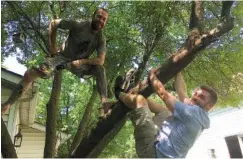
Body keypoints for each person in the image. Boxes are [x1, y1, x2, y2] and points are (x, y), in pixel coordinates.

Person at [2, 8, 111, 118]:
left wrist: (82, 61)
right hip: (61, 58)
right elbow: (54, 23)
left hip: (80, 65)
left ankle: (104, 103)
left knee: (100, 69)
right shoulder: (79, 24)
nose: (101, 21)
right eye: (99, 17)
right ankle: (7, 105)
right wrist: (52, 48)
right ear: (93, 16)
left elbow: (100, 60)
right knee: (31, 73)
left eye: (104, 19)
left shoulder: (101, 38)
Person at [114, 69, 217, 158]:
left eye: (201, 97)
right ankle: (132, 95)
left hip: (151, 153)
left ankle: (119, 92)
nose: (195, 97)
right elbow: (182, 92)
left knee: (140, 100)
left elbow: (163, 93)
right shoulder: (199, 114)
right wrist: (178, 72)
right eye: (195, 94)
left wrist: (152, 75)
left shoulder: (194, 114)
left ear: (209, 106)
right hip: (160, 147)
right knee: (165, 111)